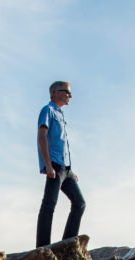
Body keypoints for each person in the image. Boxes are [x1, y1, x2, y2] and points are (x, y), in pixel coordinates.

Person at [36, 80, 86, 247]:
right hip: (55, 167)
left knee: (79, 203)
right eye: (67, 92)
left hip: (67, 169)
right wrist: (48, 165)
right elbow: (42, 137)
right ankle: (42, 247)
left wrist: (71, 170)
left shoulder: (60, 114)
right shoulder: (48, 110)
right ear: (55, 92)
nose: (70, 95)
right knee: (49, 204)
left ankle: (67, 244)